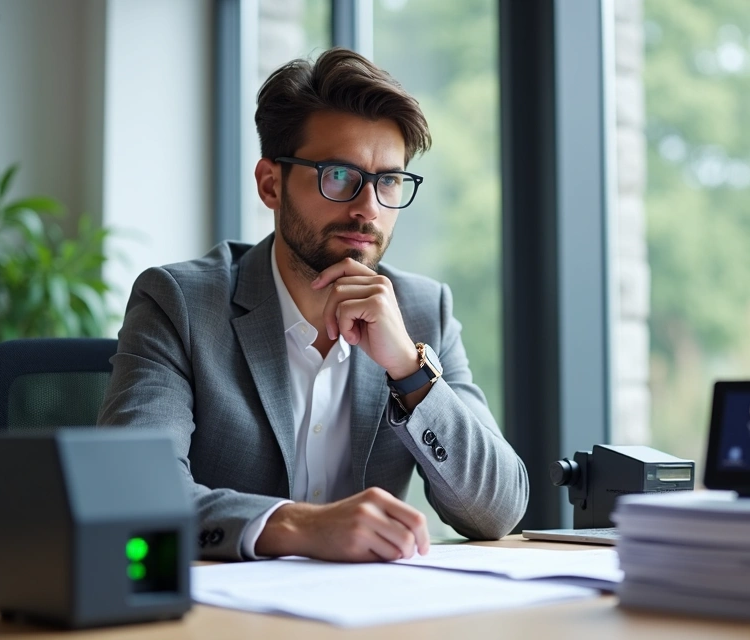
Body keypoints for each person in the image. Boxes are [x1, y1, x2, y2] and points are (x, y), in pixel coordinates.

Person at [97, 48, 528, 562]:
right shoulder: (181, 303)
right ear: (270, 184)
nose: (368, 207)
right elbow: (131, 494)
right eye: (338, 175)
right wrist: (299, 527)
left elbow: (498, 511)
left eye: (388, 179)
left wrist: (410, 373)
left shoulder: (421, 310)